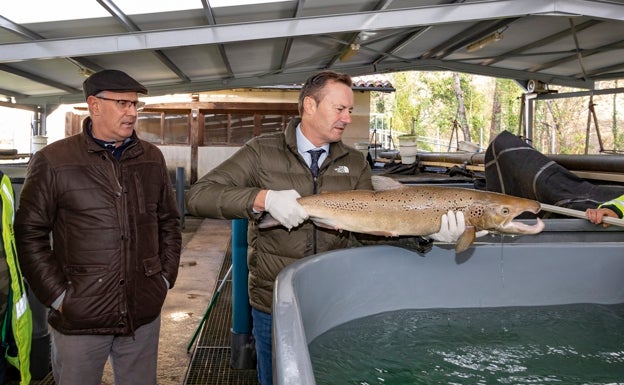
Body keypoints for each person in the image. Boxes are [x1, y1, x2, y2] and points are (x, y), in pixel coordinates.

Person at [186, 70, 466, 385]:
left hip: (336, 299)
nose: (347, 118)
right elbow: (198, 197)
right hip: (275, 302)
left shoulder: (356, 161)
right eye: (340, 109)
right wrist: (262, 198)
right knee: (276, 378)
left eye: (350, 110)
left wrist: (425, 233)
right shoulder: (261, 151)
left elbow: (365, 234)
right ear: (309, 106)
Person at [14, 69, 182, 385]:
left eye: (135, 104)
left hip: (142, 308)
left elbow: (168, 221)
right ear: (94, 104)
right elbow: (29, 233)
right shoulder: (54, 161)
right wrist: (59, 297)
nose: (132, 112)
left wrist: (163, 278)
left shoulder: (151, 158)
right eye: (122, 103)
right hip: (80, 313)